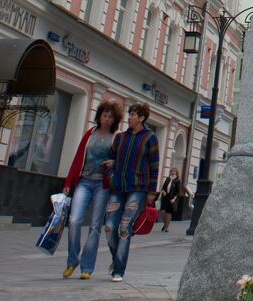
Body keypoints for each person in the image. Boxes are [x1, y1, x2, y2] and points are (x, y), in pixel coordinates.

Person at [60, 98, 121, 279]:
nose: (107, 119)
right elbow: (78, 158)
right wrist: (68, 183)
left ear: (114, 119)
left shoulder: (116, 138)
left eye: (110, 116)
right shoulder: (90, 134)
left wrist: (115, 162)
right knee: (74, 221)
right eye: (104, 115)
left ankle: (87, 267)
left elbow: (121, 161)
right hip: (84, 182)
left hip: (102, 186)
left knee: (95, 226)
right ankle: (72, 260)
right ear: (99, 116)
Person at [102, 102, 160, 282]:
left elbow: (154, 166)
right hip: (117, 187)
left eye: (133, 114)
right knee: (110, 226)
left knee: (124, 227)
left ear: (142, 118)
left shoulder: (150, 138)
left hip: (138, 189)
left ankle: (118, 270)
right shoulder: (120, 138)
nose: (130, 117)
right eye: (130, 114)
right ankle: (117, 257)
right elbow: (109, 158)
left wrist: (151, 192)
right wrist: (111, 176)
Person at [158, 166, 184, 232]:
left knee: (168, 212)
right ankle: (165, 224)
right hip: (165, 197)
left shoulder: (177, 181)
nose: (172, 172)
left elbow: (178, 192)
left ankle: (166, 227)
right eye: (171, 171)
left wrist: (174, 199)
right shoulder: (167, 179)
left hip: (172, 199)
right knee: (162, 212)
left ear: (176, 173)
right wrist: (163, 191)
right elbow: (163, 187)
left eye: (174, 171)